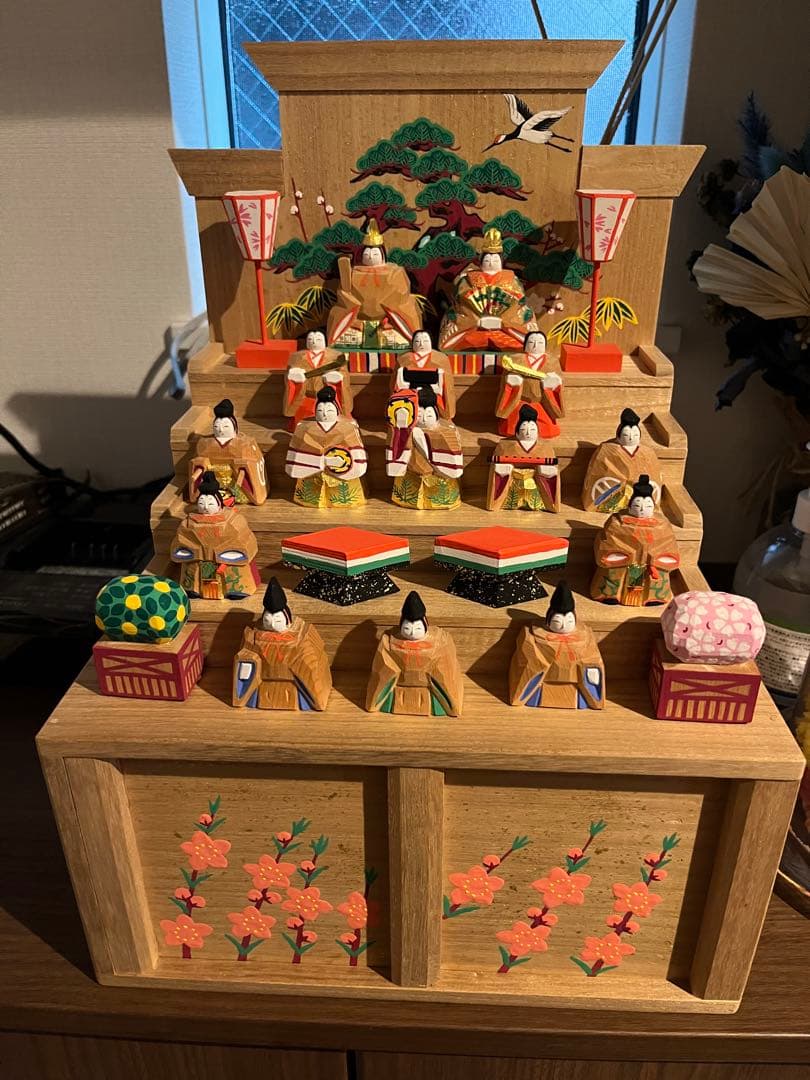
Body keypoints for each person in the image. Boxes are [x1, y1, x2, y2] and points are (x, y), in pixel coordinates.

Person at [232, 578, 332, 711]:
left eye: (278, 620)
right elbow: (245, 657)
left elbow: (311, 662)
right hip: (262, 684)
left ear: (287, 618)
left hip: (294, 686)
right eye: (267, 620)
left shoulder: (301, 635)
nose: (273, 625)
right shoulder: (252, 635)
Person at [438, 227, 539, 351]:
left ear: (501, 262)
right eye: (487, 260)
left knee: (523, 321)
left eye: (495, 259)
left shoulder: (512, 280)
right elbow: (462, 302)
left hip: (506, 329)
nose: (491, 262)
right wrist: (477, 321)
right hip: (473, 327)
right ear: (481, 263)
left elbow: (518, 303)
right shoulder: (467, 280)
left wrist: (501, 322)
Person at [509, 581, 605, 709]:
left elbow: (592, 655)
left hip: (576, 685)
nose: (563, 625)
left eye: (569, 620)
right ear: (549, 620)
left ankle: (583, 699)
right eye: (557, 621)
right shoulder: (531, 634)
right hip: (541, 684)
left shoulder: (586, 634)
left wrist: (590, 668)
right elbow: (527, 651)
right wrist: (538, 662)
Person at [366, 591, 464, 716]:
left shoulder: (441, 640)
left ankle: (444, 707)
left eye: (417, 628)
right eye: (407, 628)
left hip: (430, 690)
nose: (412, 633)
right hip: (398, 689)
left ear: (425, 624)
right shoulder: (388, 641)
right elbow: (383, 666)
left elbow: (445, 667)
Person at [326, 222, 422, 349]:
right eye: (367, 254)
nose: (371, 257)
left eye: (375, 254)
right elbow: (343, 297)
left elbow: (401, 297)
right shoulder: (354, 272)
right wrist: (349, 299)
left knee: (398, 337)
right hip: (358, 322)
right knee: (347, 333)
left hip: (387, 322)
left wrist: (389, 316)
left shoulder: (394, 272)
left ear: (382, 255)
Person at [591, 474, 680, 606]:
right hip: (622, 564)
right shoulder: (616, 523)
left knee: (657, 579)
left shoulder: (662, 525)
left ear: (653, 506)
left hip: (650, 568)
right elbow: (606, 542)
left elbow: (669, 545)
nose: (642, 509)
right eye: (638, 505)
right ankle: (610, 596)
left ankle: (653, 598)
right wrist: (627, 554)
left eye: (647, 506)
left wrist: (653, 557)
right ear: (630, 505)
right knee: (613, 575)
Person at [171, 471, 260, 600]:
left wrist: (221, 553)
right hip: (197, 560)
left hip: (225, 560)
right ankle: (193, 589)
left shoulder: (233, 520)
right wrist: (196, 552)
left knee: (233, 570)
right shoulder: (188, 523)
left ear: (219, 503)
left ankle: (235, 591)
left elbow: (243, 541)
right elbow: (180, 541)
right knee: (192, 567)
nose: (206, 507)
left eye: (211, 504)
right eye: (201, 503)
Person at [285, 386, 367, 508]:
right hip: (312, 476)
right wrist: (321, 461)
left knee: (343, 494)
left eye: (329, 410)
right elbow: (294, 458)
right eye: (320, 410)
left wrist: (342, 462)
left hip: (342, 477)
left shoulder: (348, 428)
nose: (324, 414)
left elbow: (358, 456)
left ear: (336, 411)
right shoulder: (303, 428)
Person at [387, 386, 464, 510]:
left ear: (436, 414)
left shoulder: (445, 432)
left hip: (438, 474)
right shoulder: (406, 432)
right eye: (419, 416)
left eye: (428, 416)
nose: (423, 419)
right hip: (413, 470)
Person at [581, 407, 662, 514]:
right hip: (614, 490)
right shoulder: (607, 449)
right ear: (618, 435)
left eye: (635, 434)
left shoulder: (648, 452)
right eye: (626, 435)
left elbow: (653, 473)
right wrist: (620, 477)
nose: (631, 438)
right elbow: (599, 470)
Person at [189, 398, 267, 505]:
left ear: (234, 427)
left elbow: (255, 461)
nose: (220, 430)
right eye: (216, 426)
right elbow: (197, 461)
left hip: (236, 483)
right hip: (213, 484)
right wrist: (201, 465)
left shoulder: (244, 443)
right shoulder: (205, 444)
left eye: (225, 426)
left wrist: (243, 466)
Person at [487, 404, 559, 512]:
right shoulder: (505, 446)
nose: (528, 433)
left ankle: (545, 504)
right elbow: (495, 466)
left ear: (538, 432)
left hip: (535, 486)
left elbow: (554, 468)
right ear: (517, 432)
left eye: (532, 430)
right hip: (513, 486)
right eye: (524, 429)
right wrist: (504, 470)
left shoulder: (546, 447)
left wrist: (545, 471)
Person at [494, 330, 563, 437]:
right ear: (525, 344)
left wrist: (553, 385)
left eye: (540, 342)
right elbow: (505, 382)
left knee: (547, 429)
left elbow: (559, 384)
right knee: (511, 428)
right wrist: (511, 384)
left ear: (545, 345)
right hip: (519, 402)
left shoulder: (552, 362)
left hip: (542, 404)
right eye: (531, 342)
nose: (535, 345)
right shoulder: (515, 360)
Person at [283, 329, 352, 428]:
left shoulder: (336, 356)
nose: (314, 342)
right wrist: (294, 378)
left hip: (330, 398)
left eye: (318, 339)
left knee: (334, 418)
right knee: (304, 424)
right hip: (307, 398)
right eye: (310, 339)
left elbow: (344, 374)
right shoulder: (296, 357)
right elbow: (288, 375)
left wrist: (338, 379)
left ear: (325, 341)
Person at [390, 329, 456, 419]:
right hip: (409, 393)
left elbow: (448, 385)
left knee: (430, 412)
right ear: (412, 343)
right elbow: (394, 382)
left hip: (432, 394)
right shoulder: (404, 358)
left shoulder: (441, 359)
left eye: (425, 341)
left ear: (431, 342)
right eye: (417, 341)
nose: (421, 344)